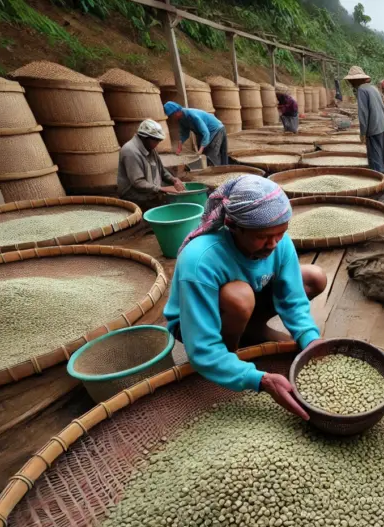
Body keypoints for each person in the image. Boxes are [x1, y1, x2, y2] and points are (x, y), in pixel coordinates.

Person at [164, 175, 328, 420]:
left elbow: (292, 300)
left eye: (280, 233)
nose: (273, 243)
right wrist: (259, 379)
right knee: (238, 297)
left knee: (314, 276)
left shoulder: (278, 243)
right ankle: (230, 356)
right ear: (234, 226)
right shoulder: (200, 260)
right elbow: (202, 348)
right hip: (197, 321)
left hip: (250, 297)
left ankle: (250, 330)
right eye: (262, 236)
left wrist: (310, 338)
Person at [116, 119, 184, 210]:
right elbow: (138, 182)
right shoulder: (130, 151)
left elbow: (161, 170)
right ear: (144, 138)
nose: (157, 144)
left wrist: (173, 179)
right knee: (163, 208)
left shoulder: (150, 147)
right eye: (156, 141)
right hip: (133, 195)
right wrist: (161, 189)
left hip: (149, 191)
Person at [345, 66, 384, 174]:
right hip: (382, 125)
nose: (351, 83)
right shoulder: (373, 88)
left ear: (355, 80)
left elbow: (363, 113)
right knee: (381, 154)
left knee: (374, 157)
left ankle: (378, 180)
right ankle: (383, 177)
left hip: (373, 127)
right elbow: (383, 107)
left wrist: (363, 133)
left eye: (351, 81)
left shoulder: (361, 90)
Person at [163, 101, 228, 166]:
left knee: (211, 153)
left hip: (216, 130)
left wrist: (200, 151)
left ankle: (217, 172)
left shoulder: (192, 115)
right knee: (204, 154)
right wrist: (179, 147)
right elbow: (184, 134)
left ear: (176, 112)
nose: (172, 118)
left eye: (171, 115)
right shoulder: (181, 119)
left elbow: (206, 133)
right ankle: (214, 169)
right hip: (202, 134)